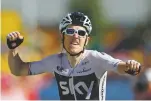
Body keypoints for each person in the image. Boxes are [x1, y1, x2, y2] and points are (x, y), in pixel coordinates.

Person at [7, 12, 141, 100]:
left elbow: (119, 66)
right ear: (62, 36)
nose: (76, 36)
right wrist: (13, 48)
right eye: (70, 31)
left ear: (87, 40)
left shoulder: (96, 58)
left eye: (81, 33)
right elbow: (18, 70)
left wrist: (130, 66)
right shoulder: (54, 61)